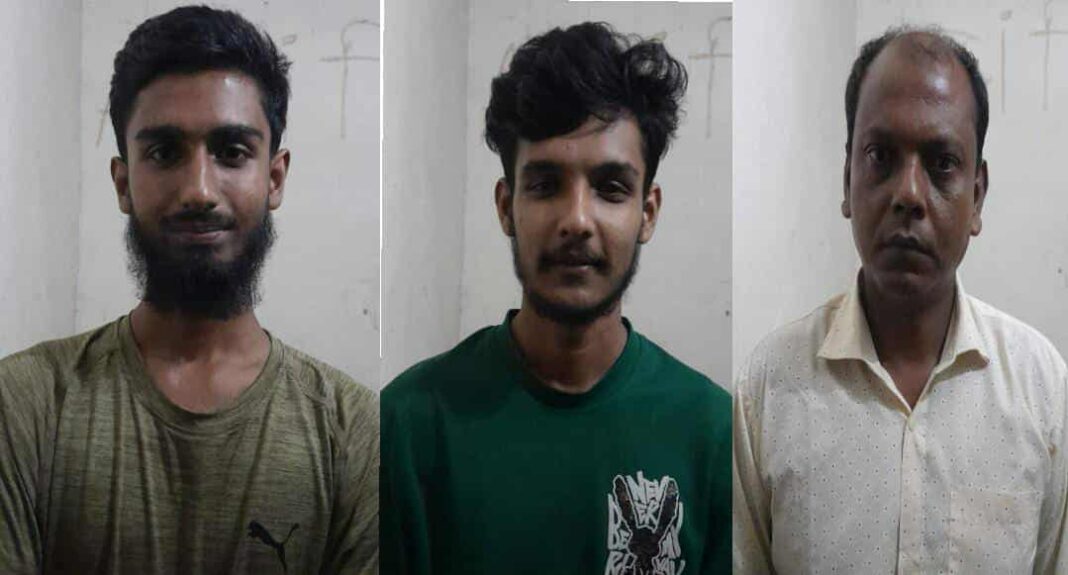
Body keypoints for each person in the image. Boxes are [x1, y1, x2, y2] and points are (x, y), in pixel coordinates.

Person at [0, 6, 378, 573]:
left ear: (274, 178)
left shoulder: (355, 433)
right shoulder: (24, 406)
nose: (199, 189)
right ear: (123, 183)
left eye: (232, 152)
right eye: (164, 152)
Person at [381, 22, 731, 575]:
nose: (577, 220)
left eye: (611, 188)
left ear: (648, 212)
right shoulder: (408, 424)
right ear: (506, 206)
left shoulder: (713, 433)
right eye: (545, 185)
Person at [733, 27, 1068, 574]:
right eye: (881, 156)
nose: (909, 193)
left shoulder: (1043, 391)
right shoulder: (767, 389)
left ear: (977, 195)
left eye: (941, 163)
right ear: (847, 179)